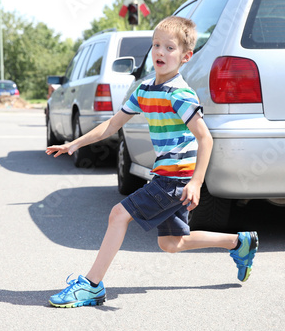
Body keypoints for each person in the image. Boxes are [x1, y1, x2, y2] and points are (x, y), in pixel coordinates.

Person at [45, 16, 258, 308]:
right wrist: (75, 143)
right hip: (165, 178)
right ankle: (239, 242)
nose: (160, 52)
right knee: (171, 243)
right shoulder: (145, 90)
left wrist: (196, 183)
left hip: (176, 180)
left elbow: (205, 139)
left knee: (118, 215)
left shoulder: (179, 94)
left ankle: (92, 286)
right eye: (156, 45)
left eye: (169, 47)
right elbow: (111, 125)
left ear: (185, 57)